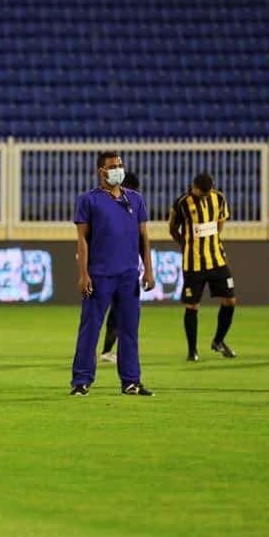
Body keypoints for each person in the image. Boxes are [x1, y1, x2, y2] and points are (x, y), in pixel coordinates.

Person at [71, 151, 155, 396]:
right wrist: (83, 273)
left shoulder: (135, 200)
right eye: (112, 166)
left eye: (120, 165)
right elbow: (82, 239)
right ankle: (81, 381)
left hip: (129, 275)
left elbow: (143, 237)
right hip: (99, 276)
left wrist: (148, 269)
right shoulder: (88, 200)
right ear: (101, 171)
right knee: (90, 329)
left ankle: (131, 381)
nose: (118, 169)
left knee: (129, 330)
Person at [168, 172, 237, 361]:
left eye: (207, 193)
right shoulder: (182, 203)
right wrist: (185, 243)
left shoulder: (219, 198)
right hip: (193, 263)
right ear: (194, 187)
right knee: (192, 305)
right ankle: (192, 350)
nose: (205, 196)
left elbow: (220, 222)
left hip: (217, 260)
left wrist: (213, 240)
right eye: (201, 193)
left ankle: (218, 341)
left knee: (230, 300)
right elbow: (173, 227)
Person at [99, 169, 140, 364]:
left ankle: (106, 351)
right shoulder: (115, 206)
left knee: (116, 312)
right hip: (111, 270)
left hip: (119, 269)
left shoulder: (120, 206)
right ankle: (106, 352)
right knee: (114, 312)